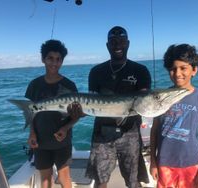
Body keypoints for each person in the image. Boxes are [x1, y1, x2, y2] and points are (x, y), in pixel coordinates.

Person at [86, 26, 152, 188]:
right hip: (102, 133)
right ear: (107, 45)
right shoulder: (96, 71)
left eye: (121, 41)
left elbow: (144, 102)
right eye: (113, 42)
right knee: (100, 180)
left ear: (128, 43)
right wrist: (77, 112)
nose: (117, 46)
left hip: (131, 134)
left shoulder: (140, 70)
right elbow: (90, 104)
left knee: (134, 181)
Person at [150, 44, 198, 188]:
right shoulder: (159, 97)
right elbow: (154, 131)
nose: (177, 73)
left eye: (183, 68)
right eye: (173, 69)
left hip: (192, 163)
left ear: (194, 70)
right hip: (164, 163)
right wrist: (153, 162)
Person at [25, 39, 82, 188]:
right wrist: (32, 133)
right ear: (43, 59)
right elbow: (31, 112)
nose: (54, 63)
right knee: (45, 180)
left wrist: (66, 128)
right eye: (50, 58)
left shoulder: (69, 85)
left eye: (58, 59)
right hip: (40, 140)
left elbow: (77, 115)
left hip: (62, 139)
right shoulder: (34, 85)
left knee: (64, 177)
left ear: (62, 61)